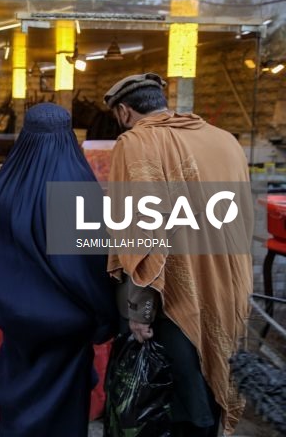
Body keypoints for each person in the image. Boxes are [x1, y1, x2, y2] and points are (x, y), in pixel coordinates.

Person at [103, 73, 253, 436]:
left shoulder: (134, 143)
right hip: (228, 280)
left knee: (183, 391)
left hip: (175, 289)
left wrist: (139, 312)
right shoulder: (225, 140)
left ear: (124, 111)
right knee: (215, 369)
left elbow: (140, 233)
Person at [0, 102, 119, 437]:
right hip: (67, 328)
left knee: (20, 398)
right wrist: (106, 318)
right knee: (63, 413)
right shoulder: (77, 185)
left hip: (18, 322)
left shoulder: (5, 183)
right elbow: (87, 264)